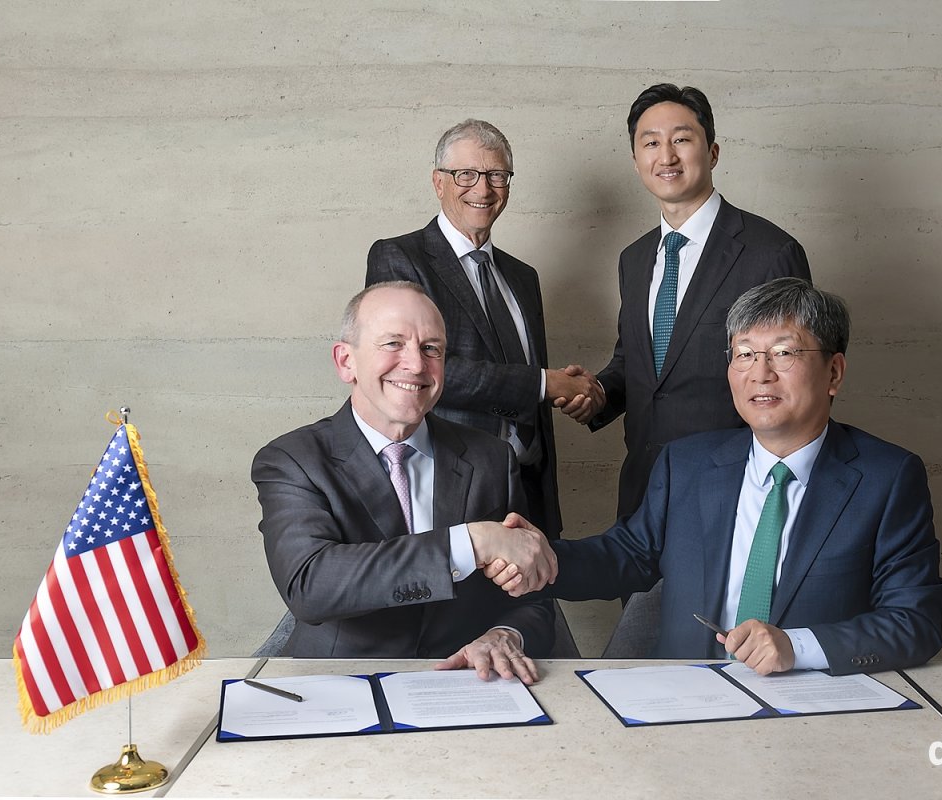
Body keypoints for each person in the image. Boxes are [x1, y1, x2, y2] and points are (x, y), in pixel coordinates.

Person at [493, 278, 942, 676]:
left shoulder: (887, 479)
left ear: (834, 372)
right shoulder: (687, 464)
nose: (761, 374)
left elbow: (915, 622)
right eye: (744, 354)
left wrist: (797, 647)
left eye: (784, 353)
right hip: (688, 702)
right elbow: (623, 557)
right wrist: (539, 556)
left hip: (812, 708)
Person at [252, 282, 558, 682]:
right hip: (342, 684)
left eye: (432, 349)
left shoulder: (492, 458)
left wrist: (506, 634)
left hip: (467, 684)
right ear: (346, 361)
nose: (416, 364)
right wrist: (470, 542)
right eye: (393, 343)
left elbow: (534, 594)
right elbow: (310, 585)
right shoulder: (293, 459)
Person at [558, 84, 812, 520]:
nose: (667, 156)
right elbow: (640, 363)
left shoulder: (770, 253)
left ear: (712, 152)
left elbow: (797, 380)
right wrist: (598, 393)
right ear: (636, 160)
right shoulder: (634, 259)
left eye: (681, 139)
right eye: (651, 143)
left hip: (736, 491)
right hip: (643, 492)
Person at [366, 119, 596, 539]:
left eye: (497, 175)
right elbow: (416, 371)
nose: (483, 189)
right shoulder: (399, 258)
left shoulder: (522, 277)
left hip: (528, 491)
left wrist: (576, 393)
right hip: (449, 489)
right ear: (438, 182)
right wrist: (546, 383)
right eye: (466, 174)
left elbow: (529, 390)